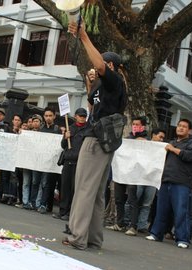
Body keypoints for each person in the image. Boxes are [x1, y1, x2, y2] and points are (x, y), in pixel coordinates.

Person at [62, 18, 127, 250]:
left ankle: (77, 236)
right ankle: (93, 238)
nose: (96, 67)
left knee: (84, 188)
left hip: (96, 140)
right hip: (103, 141)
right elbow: (93, 106)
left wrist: (83, 36)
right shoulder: (104, 86)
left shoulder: (114, 80)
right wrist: (91, 84)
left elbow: (99, 65)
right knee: (97, 192)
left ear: (110, 66)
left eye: (102, 64)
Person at [146, 119, 192, 249]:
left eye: (184, 127)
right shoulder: (172, 142)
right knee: (161, 210)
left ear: (189, 130)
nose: (180, 128)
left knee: (181, 211)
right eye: (179, 126)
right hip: (166, 180)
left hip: (181, 182)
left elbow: (191, 157)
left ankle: (182, 238)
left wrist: (173, 149)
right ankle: (156, 233)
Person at [53, 108, 89, 221]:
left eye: (84, 116)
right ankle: (62, 211)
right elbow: (63, 145)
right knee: (65, 187)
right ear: (76, 116)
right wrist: (65, 137)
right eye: (80, 116)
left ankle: (71, 213)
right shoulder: (70, 128)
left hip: (80, 163)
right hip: (68, 161)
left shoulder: (88, 130)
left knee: (75, 189)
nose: (82, 118)